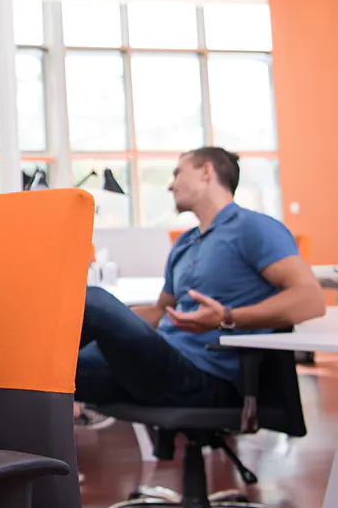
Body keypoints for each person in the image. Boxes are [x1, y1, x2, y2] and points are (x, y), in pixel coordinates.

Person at [77, 147, 325, 408]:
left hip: (204, 375)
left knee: (93, 299)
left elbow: (311, 300)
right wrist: (114, 322)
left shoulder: (253, 228)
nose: (170, 186)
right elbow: (161, 311)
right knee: (45, 371)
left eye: (178, 173)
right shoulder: (186, 242)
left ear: (207, 171)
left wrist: (227, 317)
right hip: (160, 363)